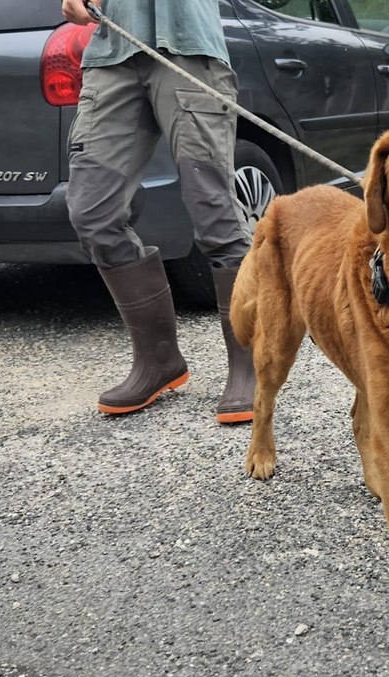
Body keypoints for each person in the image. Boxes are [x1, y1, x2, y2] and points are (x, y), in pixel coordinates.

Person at [61, 0, 255, 423]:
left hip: (188, 46)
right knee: (92, 211)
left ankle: (249, 364)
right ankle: (159, 360)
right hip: (112, 53)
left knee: (213, 212)